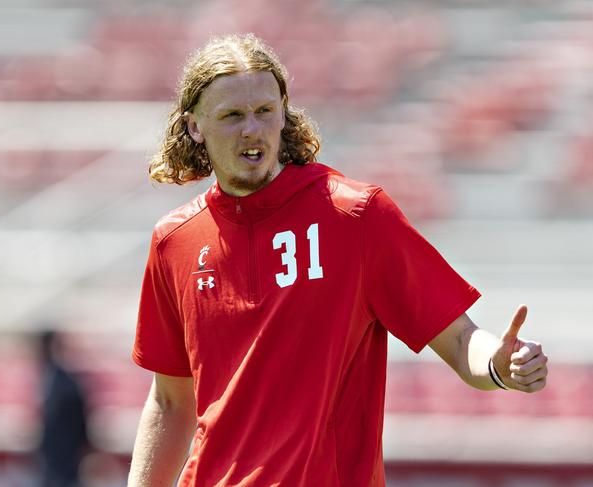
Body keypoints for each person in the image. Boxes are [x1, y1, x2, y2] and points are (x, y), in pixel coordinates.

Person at [129, 33, 548, 487]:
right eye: (232, 116)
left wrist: (499, 366)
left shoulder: (355, 216)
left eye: (265, 111)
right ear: (195, 127)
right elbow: (172, 402)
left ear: (284, 113)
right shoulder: (174, 240)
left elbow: (460, 338)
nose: (252, 129)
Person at [37, 329, 89, 487]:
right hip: (51, 462)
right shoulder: (50, 377)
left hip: (65, 461)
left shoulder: (65, 382)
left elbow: (80, 422)